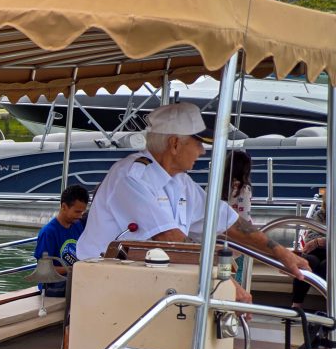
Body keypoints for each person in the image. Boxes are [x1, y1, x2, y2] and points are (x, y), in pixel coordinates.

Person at [75, 102, 306, 299]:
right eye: (198, 144)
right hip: (102, 283)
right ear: (175, 144)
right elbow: (170, 239)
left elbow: (230, 223)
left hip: (142, 280)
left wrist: (281, 253)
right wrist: (226, 284)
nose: (203, 152)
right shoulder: (131, 176)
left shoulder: (181, 182)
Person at [34, 185, 89, 297]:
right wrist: (71, 269)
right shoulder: (48, 232)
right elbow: (43, 270)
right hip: (52, 285)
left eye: (82, 212)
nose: (80, 216)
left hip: (73, 278)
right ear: (64, 206)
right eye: (77, 212)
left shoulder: (78, 225)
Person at [223, 149, 253, 284]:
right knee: (239, 269)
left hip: (220, 233)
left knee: (222, 268)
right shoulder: (243, 188)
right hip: (237, 235)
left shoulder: (217, 184)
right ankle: (236, 296)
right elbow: (244, 215)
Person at [292, 196, 326, 309]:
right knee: (307, 261)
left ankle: (331, 308)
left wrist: (321, 241)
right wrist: (321, 241)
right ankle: (296, 306)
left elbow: (315, 240)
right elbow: (310, 236)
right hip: (318, 252)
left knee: (326, 265)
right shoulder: (320, 214)